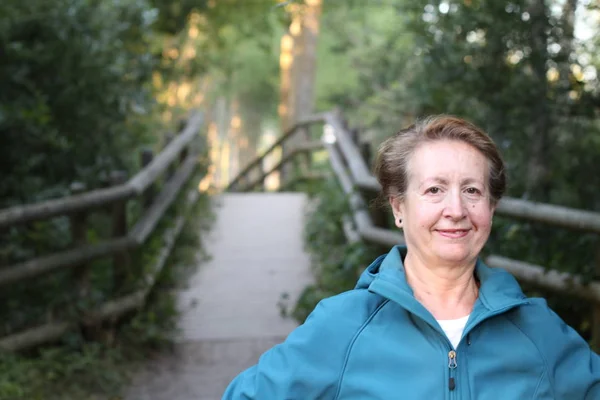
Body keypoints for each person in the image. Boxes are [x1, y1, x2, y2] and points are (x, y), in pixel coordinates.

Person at [222, 115, 600, 399]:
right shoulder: (342, 327)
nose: (456, 209)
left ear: (491, 207)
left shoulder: (539, 331)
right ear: (398, 206)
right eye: (434, 190)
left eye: (472, 190)